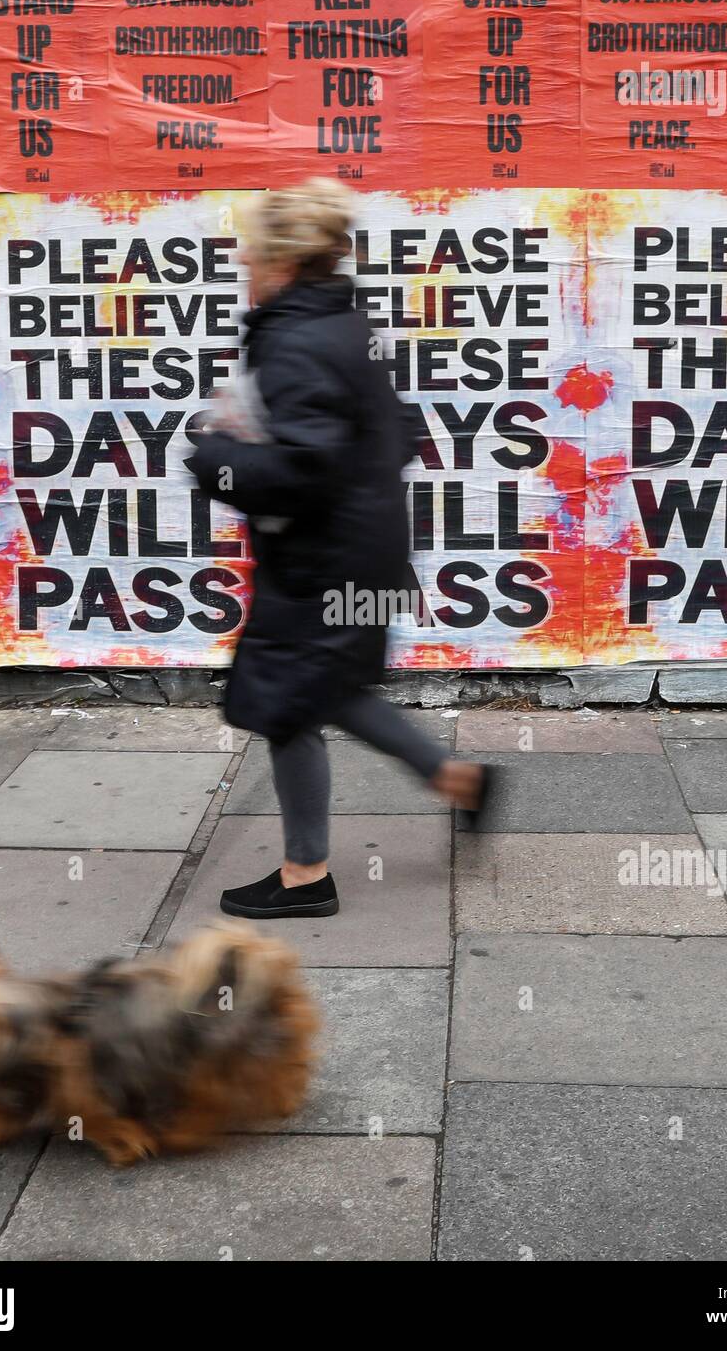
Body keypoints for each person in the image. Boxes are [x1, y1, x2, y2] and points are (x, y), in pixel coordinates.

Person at [186, 179, 490, 919]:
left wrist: (214, 455)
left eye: (250, 253)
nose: (242, 265)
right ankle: (456, 779)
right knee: (329, 690)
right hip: (360, 552)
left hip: (323, 564)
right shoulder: (339, 326)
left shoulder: (296, 341)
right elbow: (396, 436)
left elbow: (303, 469)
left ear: (282, 262)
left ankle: (305, 875)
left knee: (289, 704)